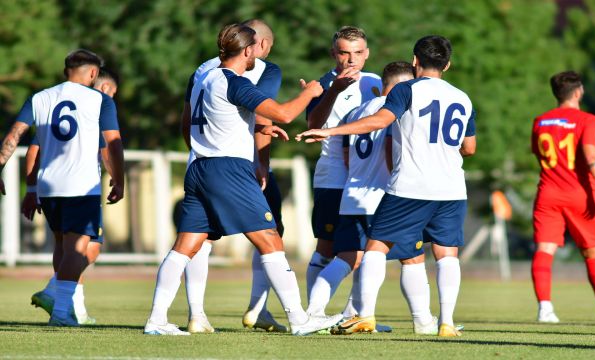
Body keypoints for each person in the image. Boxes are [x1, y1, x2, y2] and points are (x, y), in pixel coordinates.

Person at [143, 23, 342, 336]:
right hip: (228, 170)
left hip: (199, 166)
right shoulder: (234, 81)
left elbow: (211, 119)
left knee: (186, 245)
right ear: (249, 50)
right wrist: (311, 92)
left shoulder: (202, 77)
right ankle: (300, 320)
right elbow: (285, 113)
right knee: (270, 239)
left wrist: (258, 129)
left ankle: (156, 320)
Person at [298, 35, 476, 337]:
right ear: (447, 64)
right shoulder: (462, 97)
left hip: (411, 186)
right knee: (447, 255)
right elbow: (469, 148)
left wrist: (332, 131)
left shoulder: (407, 90)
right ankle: (445, 322)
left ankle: (364, 315)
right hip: (452, 188)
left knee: (376, 248)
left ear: (416, 61)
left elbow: (380, 121)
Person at [306, 61, 442, 334]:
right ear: (406, 87)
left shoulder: (356, 112)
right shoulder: (397, 113)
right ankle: (423, 321)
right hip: (385, 197)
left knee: (346, 258)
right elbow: (393, 155)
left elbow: (346, 155)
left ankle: (313, 313)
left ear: (381, 86)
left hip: (352, 194)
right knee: (412, 257)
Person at [0, 49, 124, 326]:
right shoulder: (100, 100)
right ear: (93, 73)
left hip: (48, 185)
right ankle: (60, 312)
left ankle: (66, 308)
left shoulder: (40, 97)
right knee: (78, 250)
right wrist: (119, 180)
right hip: (81, 185)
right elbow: (111, 146)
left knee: (62, 246)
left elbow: (14, 135)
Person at [178, 19, 287, 334]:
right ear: (259, 46)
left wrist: (198, 150)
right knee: (269, 233)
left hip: (199, 160)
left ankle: (196, 314)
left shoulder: (203, 69)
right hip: (238, 165)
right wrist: (262, 163)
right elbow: (263, 114)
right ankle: (261, 308)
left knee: (197, 239)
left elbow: (187, 120)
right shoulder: (265, 69)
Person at [530, 71, 595, 323]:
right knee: (593, 252)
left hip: (547, 192)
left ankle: (545, 309)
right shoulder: (587, 119)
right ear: (578, 92)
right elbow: (591, 155)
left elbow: (538, 154)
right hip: (579, 193)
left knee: (544, 249)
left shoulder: (540, 121)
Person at [305, 26, 382, 307]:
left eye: (358, 52)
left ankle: (354, 313)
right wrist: (333, 92)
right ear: (333, 53)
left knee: (367, 250)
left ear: (367, 53)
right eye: (344, 53)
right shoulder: (322, 85)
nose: (351, 59)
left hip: (368, 180)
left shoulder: (376, 82)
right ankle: (313, 315)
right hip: (334, 177)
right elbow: (312, 126)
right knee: (326, 248)